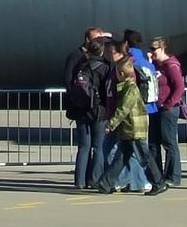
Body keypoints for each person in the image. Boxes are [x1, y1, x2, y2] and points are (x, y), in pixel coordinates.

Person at [96, 58, 166, 195]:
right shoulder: (126, 87)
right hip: (129, 129)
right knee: (122, 158)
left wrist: (111, 124)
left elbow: (123, 109)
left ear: (121, 74)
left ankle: (158, 182)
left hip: (135, 129)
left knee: (144, 157)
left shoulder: (131, 89)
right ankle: (106, 183)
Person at [63, 28, 109, 189]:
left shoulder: (80, 64)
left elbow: (68, 82)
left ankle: (80, 181)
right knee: (98, 147)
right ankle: (95, 180)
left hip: (81, 109)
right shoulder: (104, 67)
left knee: (83, 147)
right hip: (98, 111)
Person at [148, 37, 185, 186]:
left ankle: (173, 176)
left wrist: (169, 104)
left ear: (162, 48)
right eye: (150, 49)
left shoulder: (171, 65)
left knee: (169, 142)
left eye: (154, 49)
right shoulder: (158, 66)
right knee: (154, 142)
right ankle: (157, 175)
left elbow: (179, 87)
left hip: (168, 109)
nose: (152, 52)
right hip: (157, 108)